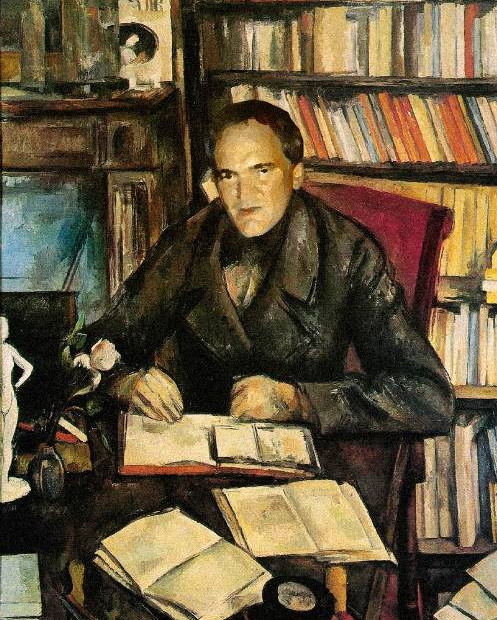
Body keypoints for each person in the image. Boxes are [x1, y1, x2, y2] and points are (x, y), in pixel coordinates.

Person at [89, 100, 454, 435]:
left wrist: (299, 401)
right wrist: (125, 382)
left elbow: (429, 397)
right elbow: (96, 344)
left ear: (296, 174)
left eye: (261, 171)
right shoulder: (188, 241)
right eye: (228, 176)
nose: (243, 194)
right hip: (193, 452)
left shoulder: (349, 252)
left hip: (305, 462)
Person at [1, 316, 33, 502]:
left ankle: (3, 482)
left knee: (6, 443)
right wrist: (17, 384)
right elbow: (28, 368)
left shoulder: (9, 349)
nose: (4, 331)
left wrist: (18, 384)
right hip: (7, 399)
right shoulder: (8, 350)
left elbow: (28, 367)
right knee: (4, 444)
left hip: (10, 401)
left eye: (4, 327)